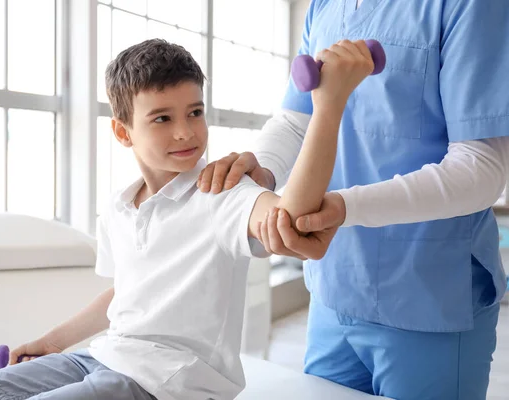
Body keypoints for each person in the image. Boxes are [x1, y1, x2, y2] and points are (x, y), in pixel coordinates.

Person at [0, 37, 375, 400]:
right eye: (162, 118)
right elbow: (126, 293)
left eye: (195, 112)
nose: (186, 132)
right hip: (103, 357)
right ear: (123, 131)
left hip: (164, 381)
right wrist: (53, 343)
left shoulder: (223, 192)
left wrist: (327, 107)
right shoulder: (119, 207)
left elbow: (291, 220)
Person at [197, 1, 509, 399]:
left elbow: (480, 169)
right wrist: (263, 166)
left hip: (428, 293)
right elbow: (298, 118)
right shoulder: (324, 6)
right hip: (334, 287)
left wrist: (345, 208)